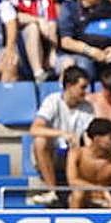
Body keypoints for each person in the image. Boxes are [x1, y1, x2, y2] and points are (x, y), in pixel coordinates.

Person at [29, 64, 94, 201]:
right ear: (70, 85)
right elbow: (35, 129)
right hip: (52, 153)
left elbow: (89, 137)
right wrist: (63, 134)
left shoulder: (88, 107)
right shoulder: (53, 101)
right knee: (40, 141)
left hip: (74, 154)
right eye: (82, 87)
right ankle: (52, 191)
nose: (85, 92)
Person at [10, 0, 58, 83]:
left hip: (42, 48)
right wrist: (38, 20)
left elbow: (52, 27)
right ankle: (38, 72)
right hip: (17, 48)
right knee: (32, 27)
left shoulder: (45, 0)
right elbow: (13, 17)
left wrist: (52, 53)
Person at [66, 117, 111, 207]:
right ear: (97, 138)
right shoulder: (76, 154)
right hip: (84, 198)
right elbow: (73, 181)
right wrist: (101, 189)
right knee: (77, 194)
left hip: (107, 201)